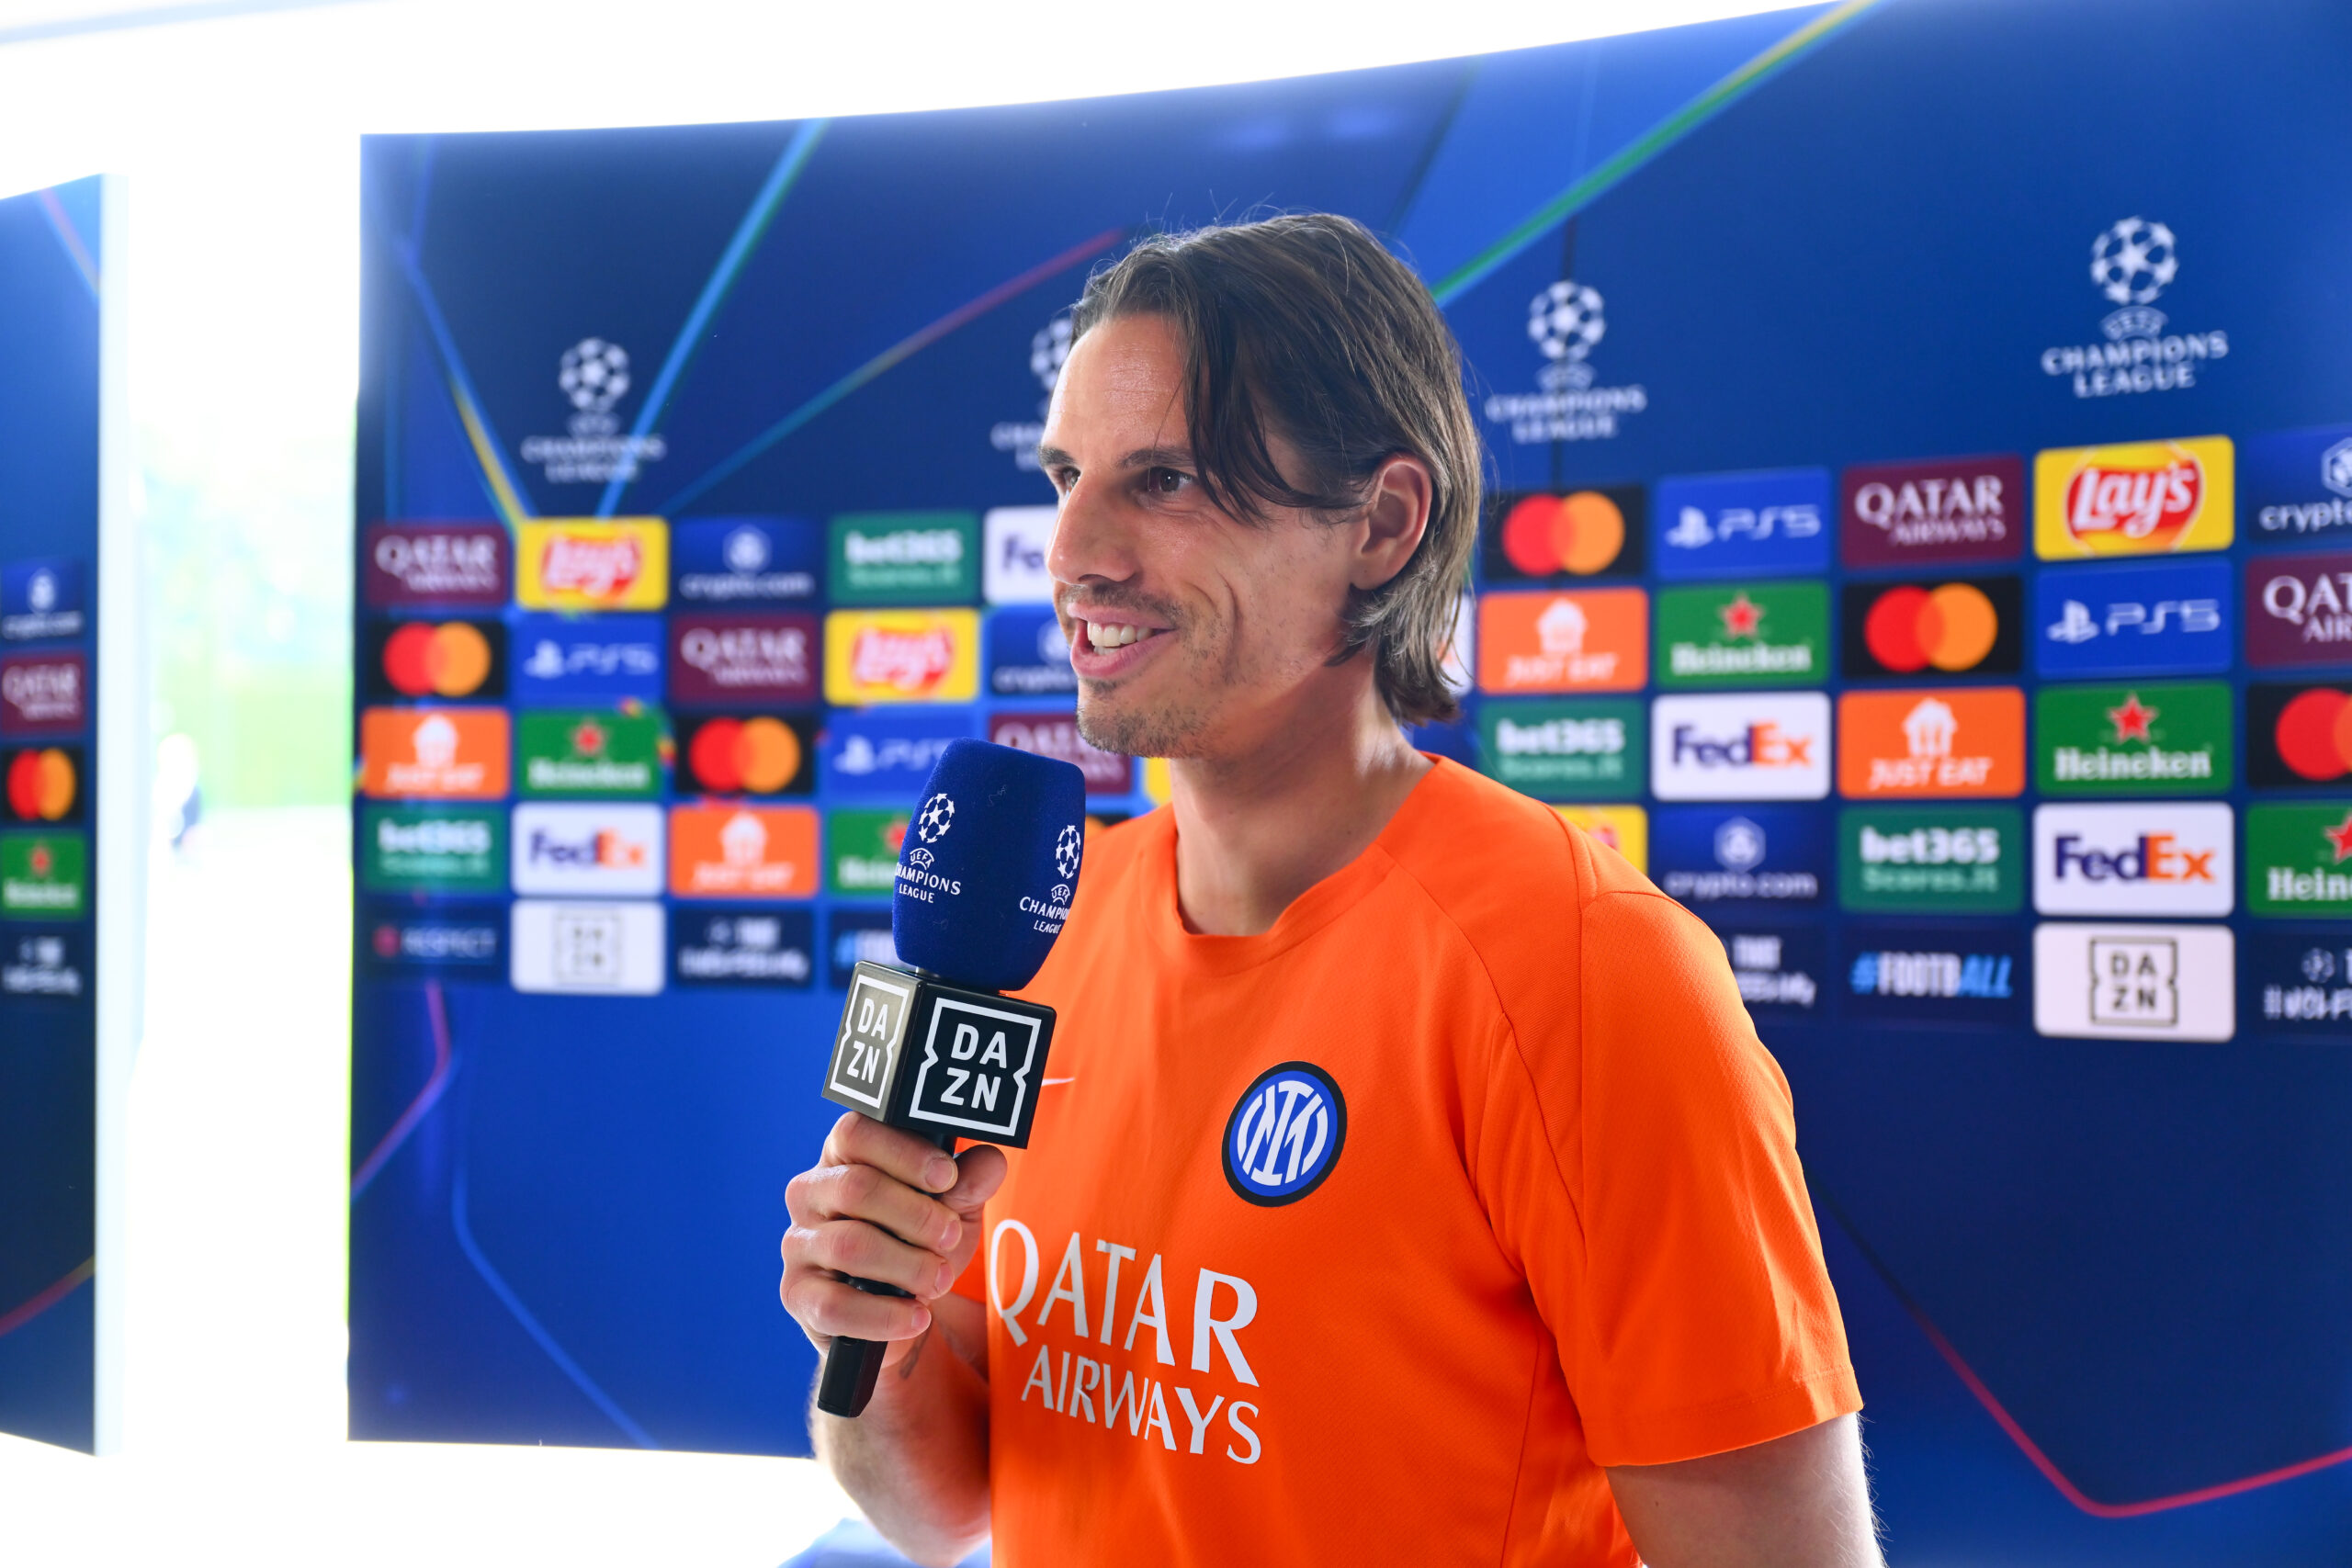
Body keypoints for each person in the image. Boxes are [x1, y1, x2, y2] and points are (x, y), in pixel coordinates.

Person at [781, 213, 1879, 1567]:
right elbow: (941, 1506)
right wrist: (874, 1332)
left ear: (1383, 523)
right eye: (1066, 474)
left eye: (1166, 480)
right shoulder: (1043, 933)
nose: (1074, 549)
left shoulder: (1588, 973)